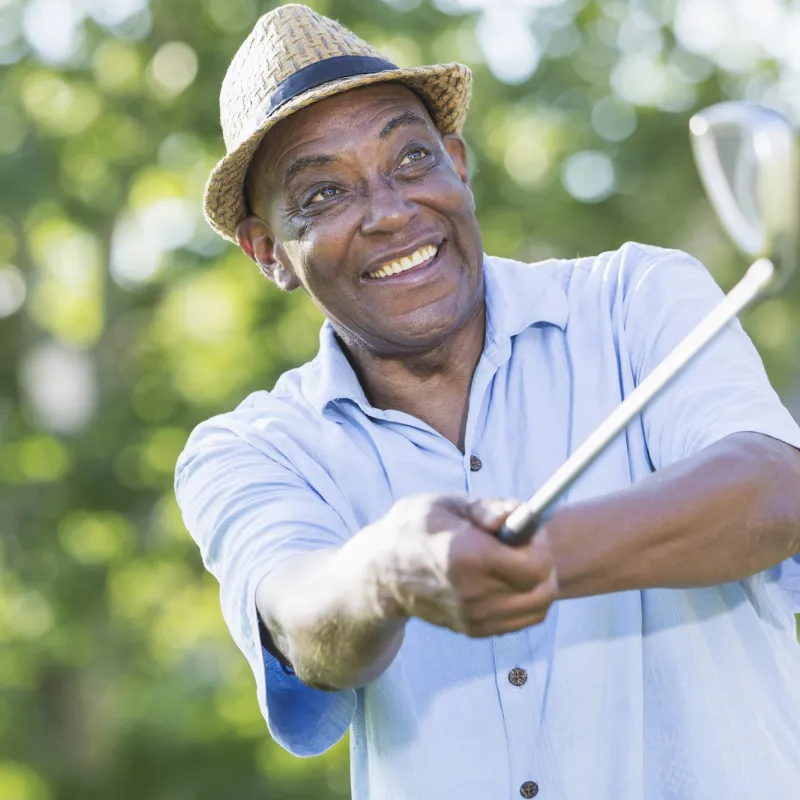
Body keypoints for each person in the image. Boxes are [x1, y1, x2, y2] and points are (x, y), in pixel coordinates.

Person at [175, 5, 800, 798]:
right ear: (269, 253)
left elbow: (773, 490)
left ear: (458, 162)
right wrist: (390, 573)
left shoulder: (636, 296)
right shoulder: (250, 448)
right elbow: (298, 618)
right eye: (326, 193)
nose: (391, 211)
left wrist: (533, 556)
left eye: (410, 158)